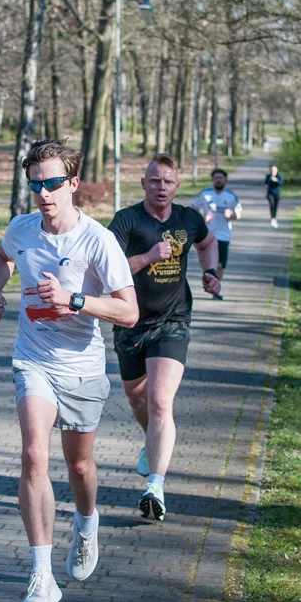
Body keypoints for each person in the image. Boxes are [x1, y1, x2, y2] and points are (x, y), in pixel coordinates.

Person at [0, 138, 138, 602]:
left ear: (73, 183)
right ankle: (42, 576)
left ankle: (87, 523)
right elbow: (2, 257)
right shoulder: (22, 228)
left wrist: (74, 300)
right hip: (33, 358)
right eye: (35, 185)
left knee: (79, 466)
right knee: (34, 454)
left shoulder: (97, 240)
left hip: (82, 367)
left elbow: (129, 311)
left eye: (52, 183)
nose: (43, 193)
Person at [108, 154, 221, 523]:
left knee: (160, 402)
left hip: (173, 321)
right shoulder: (126, 220)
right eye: (155, 181)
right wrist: (147, 257)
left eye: (168, 182)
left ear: (177, 186)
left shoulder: (188, 219)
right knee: (137, 398)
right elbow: (106, 270)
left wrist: (211, 272)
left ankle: (155, 487)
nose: (161, 187)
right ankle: (152, 442)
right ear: (144, 183)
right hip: (129, 321)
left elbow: (208, 242)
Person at [193, 169, 242, 299]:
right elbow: (193, 208)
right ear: (213, 180)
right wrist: (203, 218)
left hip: (224, 235)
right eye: (216, 178)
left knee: (220, 265)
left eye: (221, 178)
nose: (218, 180)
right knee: (209, 264)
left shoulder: (231, 196)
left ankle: (215, 288)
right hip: (207, 235)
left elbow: (238, 214)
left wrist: (231, 215)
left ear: (225, 180)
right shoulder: (205, 194)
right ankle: (211, 286)